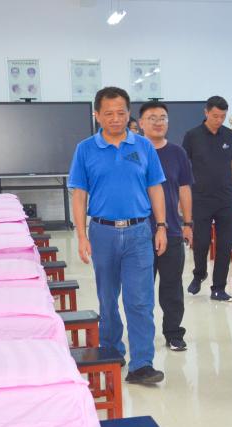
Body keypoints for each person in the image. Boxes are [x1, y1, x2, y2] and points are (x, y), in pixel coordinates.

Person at [68, 86, 168, 385]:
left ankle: (142, 364)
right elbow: (79, 194)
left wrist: (162, 226)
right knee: (108, 298)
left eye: (121, 112)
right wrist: (81, 236)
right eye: (108, 113)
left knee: (140, 301)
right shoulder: (85, 149)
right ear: (97, 115)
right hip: (102, 233)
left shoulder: (144, 146)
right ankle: (112, 350)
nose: (115, 118)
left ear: (129, 114)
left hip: (139, 232)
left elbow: (155, 187)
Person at [139, 101, 194, 352]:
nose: (158, 122)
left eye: (163, 118)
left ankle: (173, 333)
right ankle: (143, 335)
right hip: (139, 232)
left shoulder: (177, 153)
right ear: (141, 123)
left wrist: (188, 223)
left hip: (171, 230)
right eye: (152, 118)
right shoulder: (133, 151)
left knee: (172, 286)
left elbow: (184, 189)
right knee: (141, 290)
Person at [182, 96, 232, 302]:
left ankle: (218, 288)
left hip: (225, 198)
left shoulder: (230, 136)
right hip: (200, 198)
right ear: (206, 112)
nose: (219, 120)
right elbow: (184, 168)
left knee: (225, 244)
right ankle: (199, 274)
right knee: (201, 242)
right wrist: (183, 196)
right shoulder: (192, 136)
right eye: (215, 116)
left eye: (223, 116)